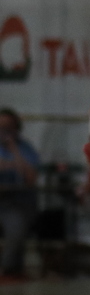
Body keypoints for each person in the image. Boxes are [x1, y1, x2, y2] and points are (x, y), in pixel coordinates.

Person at [0, 107, 39, 280]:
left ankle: (8, 270)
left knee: (15, 229)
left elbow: (30, 179)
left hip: (16, 203)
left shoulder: (25, 149)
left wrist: (13, 150)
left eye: (8, 127)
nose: (3, 132)